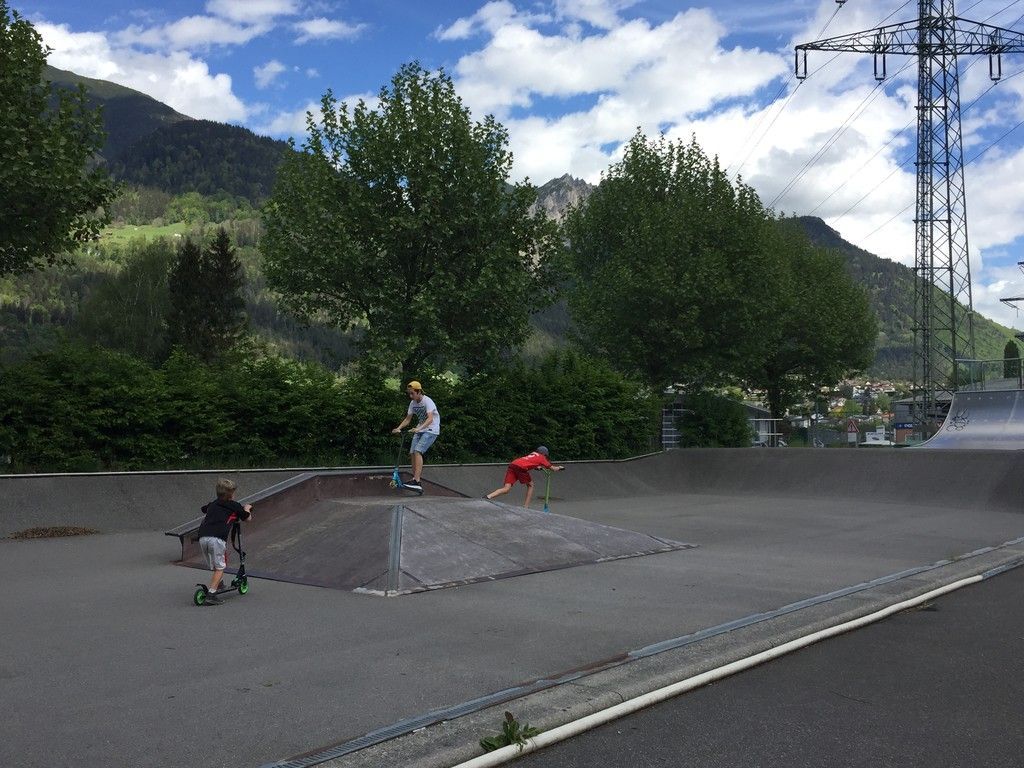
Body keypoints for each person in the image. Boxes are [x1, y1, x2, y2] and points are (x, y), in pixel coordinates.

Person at [196, 478, 252, 605]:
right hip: (217, 539)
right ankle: (211, 594)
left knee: (216, 565)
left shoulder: (213, 504)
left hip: (203, 537)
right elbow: (247, 518)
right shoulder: (234, 505)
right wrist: (248, 508)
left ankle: (219, 584)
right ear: (231, 494)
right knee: (220, 567)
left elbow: (203, 509)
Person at [391, 380, 440, 491]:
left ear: (419, 392)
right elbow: (408, 419)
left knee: (418, 451)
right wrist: (399, 428)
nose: (411, 396)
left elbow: (430, 418)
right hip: (420, 429)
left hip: (431, 430)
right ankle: (415, 480)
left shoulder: (428, 401)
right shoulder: (412, 404)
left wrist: (419, 428)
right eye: (409, 393)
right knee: (412, 453)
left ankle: (417, 480)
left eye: (413, 393)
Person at [486, 446, 564, 509]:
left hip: (513, 465)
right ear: (544, 454)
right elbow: (553, 468)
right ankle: (526, 507)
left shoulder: (532, 454)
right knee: (531, 485)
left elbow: (532, 464)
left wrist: (538, 467)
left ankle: (488, 497)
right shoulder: (542, 457)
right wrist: (560, 467)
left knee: (506, 488)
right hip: (521, 468)